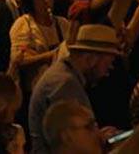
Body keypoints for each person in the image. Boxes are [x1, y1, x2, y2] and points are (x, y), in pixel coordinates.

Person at [27, 23, 121, 154]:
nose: (109, 70)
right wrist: (101, 138)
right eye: (108, 63)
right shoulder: (65, 84)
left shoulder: (65, 75)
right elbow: (75, 143)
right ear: (91, 59)